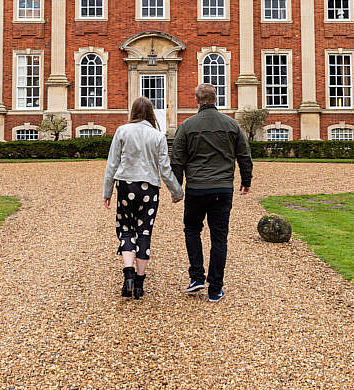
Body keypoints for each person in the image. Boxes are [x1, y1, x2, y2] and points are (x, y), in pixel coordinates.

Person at [170, 83, 253, 303]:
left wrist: (177, 188)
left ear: (197, 100)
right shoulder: (231, 124)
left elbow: (177, 160)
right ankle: (215, 288)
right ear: (216, 98)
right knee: (219, 238)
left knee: (192, 230)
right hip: (222, 188)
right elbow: (244, 155)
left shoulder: (187, 126)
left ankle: (197, 276)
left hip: (196, 188)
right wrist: (246, 180)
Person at [102, 96, 184, 299]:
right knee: (144, 232)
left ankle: (128, 274)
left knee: (126, 229)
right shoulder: (157, 136)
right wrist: (176, 192)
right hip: (149, 189)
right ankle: (138, 283)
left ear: (133, 112)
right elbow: (165, 169)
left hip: (125, 185)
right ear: (151, 114)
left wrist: (107, 192)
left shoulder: (122, 131)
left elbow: (112, 164)